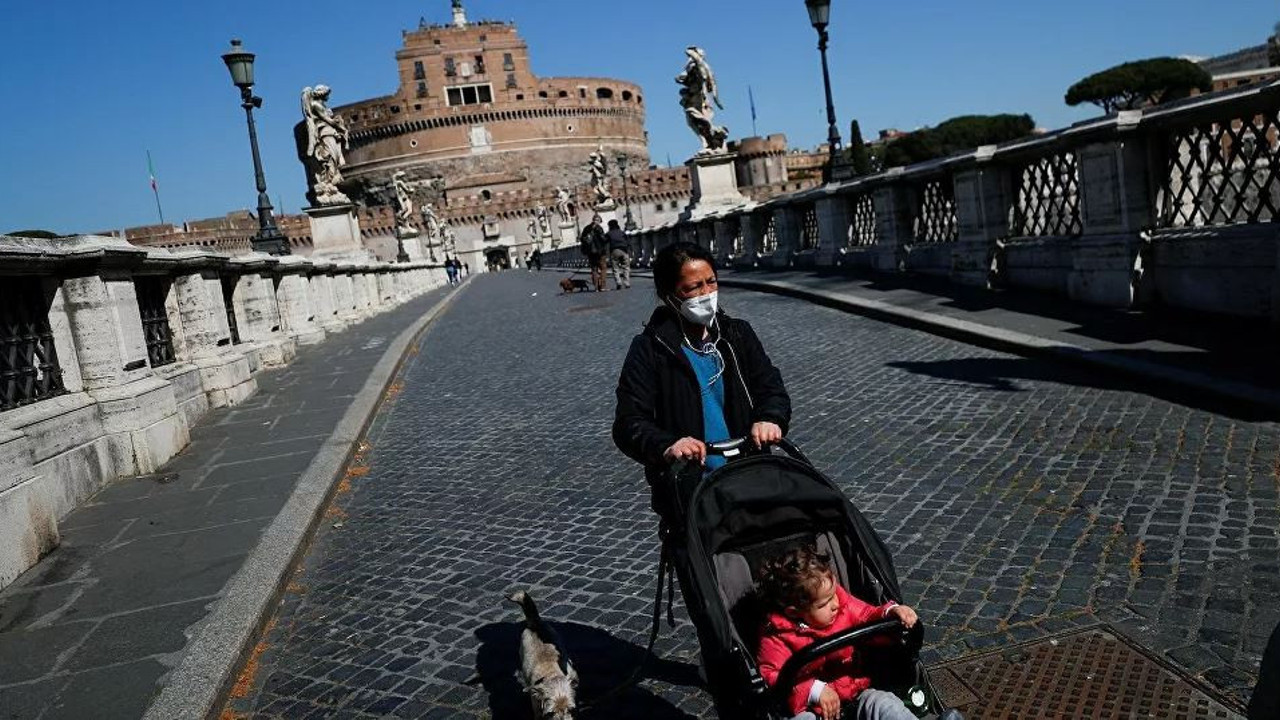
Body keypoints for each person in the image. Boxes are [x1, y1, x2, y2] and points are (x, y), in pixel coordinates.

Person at [756, 544, 920, 720]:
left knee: (883, 703)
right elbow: (772, 676)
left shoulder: (842, 604)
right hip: (810, 708)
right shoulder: (776, 635)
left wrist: (890, 612)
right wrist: (814, 690)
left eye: (834, 594)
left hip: (853, 692)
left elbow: (867, 615)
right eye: (823, 604)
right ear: (794, 612)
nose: (835, 604)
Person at [578, 214, 609, 292]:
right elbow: (603, 239)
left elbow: (582, 239)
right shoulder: (599, 228)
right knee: (603, 268)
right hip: (600, 252)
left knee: (594, 270)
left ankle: (596, 287)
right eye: (599, 221)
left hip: (590, 252)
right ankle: (602, 286)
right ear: (598, 220)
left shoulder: (586, 228)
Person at [606, 219, 632, 290]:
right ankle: (627, 283)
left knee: (615, 268)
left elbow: (605, 242)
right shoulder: (622, 232)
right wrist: (629, 249)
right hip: (624, 250)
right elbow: (628, 241)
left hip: (614, 251)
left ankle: (618, 282)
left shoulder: (609, 233)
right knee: (626, 267)